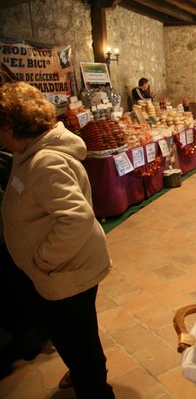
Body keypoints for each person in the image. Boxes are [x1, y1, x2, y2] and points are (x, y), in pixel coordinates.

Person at [0, 82, 114, 398]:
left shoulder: (45, 160)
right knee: (77, 335)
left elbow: (76, 220)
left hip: (65, 269)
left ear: (10, 127)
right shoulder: (29, 154)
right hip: (63, 268)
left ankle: (95, 387)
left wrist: (42, 261)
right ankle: (85, 371)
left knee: (76, 338)